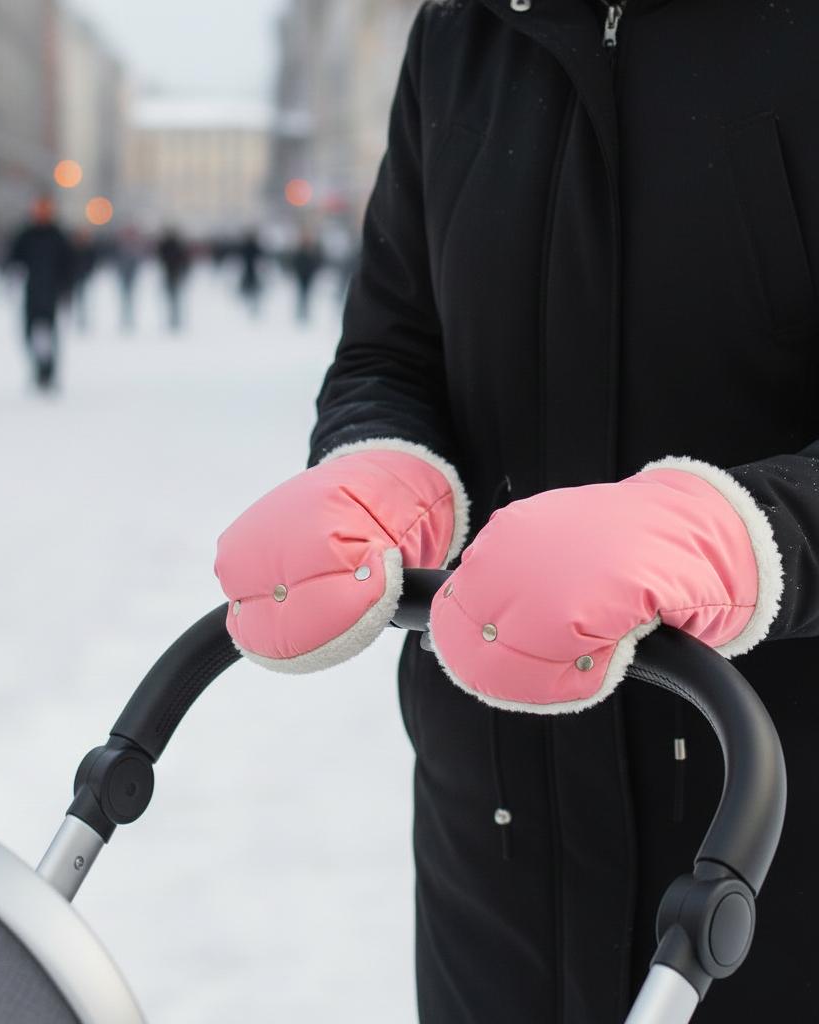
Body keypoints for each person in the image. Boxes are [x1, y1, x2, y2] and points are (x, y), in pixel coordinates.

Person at [214, 3, 819, 1021]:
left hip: (771, 843)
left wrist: (739, 533)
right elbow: (392, 346)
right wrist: (378, 466)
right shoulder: (459, 35)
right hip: (493, 840)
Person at [6, 196, 74, 390]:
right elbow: (15, 260)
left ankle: (48, 371)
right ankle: (38, 368)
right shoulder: (27, 234)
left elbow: (68, 264)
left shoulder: (57, 235)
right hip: (32, 291)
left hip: (51, 292)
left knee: (48, 333)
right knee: (31, 332)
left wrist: (65, 287)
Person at [287, 228, 325, 324]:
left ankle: (305, 312)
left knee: (307, 294)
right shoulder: (300, 250)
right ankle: (300, 312)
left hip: (309, 275)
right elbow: (295, 261)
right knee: (301, 293)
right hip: (301, 275)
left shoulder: (313, 250)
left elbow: (317, 261)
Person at [157, 227, 191, 332]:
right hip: (174, 273)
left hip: (171, 273)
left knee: (173, 297)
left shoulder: (167, 245)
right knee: (174, 298)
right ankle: (175, 319)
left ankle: (174, 319)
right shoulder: (178, 245)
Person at [114, 226, 144, 333]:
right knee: (124, 297)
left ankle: (129, 318)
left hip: (130, 275)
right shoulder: (121, 247)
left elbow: (137, 261)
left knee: (129, 297)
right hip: (124, 275)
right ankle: (125, 318)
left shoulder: (134, 247)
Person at [234, 229, 265, 317]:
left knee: (251, 289)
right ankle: (251, 305)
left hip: (252, 271)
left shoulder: (249, 246)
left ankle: (252, 305)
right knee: (251, 290)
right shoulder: (251, 246)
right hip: (250, 271)